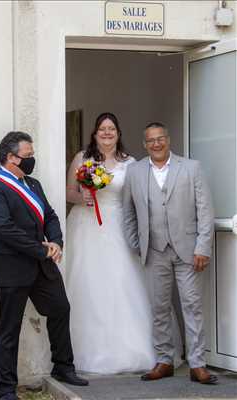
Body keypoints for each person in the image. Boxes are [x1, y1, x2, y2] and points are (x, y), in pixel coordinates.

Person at [65, 113, 182, 374]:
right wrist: (81, 196)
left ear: (118, 133)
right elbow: (67, 191)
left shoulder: (131, 164)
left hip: (118, 225)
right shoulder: (83, 158)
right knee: (88, 284)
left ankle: (138, 349)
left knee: (123, 282)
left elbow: (141, 198)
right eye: (102, 129)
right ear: (95, 134)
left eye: (112, 129)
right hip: (86, 226)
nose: (107, 133)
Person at [0, 131, 88, 400]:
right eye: (28, 156)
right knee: (9, 328)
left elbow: (49, 215)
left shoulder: (34, 184)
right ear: (10, 157)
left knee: (61, 308)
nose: (32, 159)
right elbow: (4, 229)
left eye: (32, 155)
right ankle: (6, 389)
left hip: (42, 265)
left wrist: (57, 242)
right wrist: (41, 248)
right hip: (12, 268)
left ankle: (63, 367)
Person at [122, 122, 217, 384]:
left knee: (192, 306)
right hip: (154, 251)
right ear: (144, 144)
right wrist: (137, 244)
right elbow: (128, 212)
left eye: (160, 138)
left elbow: (205, 211)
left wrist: (202, 247)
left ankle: (198, 364)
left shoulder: (191, 168)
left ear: (168, 139)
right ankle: (165, 360)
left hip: (188, 250)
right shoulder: (135, 172)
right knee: (159, 308)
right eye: (150, 140)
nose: (156, 144)